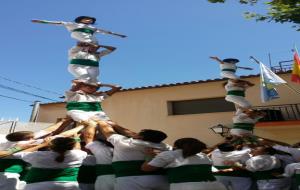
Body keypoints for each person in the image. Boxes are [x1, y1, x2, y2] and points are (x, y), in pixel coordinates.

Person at [94, 120, 170, 190]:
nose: (134, 134)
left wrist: (101, 122)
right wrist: (116, 125)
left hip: (129, 180)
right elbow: (131, 134)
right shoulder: (164, 146)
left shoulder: (124, 142)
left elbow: (107, 131)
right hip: (160, 180)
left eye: (137, 133)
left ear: (140, 137)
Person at [141, 138, 226, 190]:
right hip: (216, 186)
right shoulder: (203, 156)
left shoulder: (169, 154)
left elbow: (146, 168)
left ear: (176, 145)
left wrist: (149, 156)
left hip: (188, 187)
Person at [16, 136, 87, 190]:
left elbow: (18, 154)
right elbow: (77, 148)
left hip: (37, 187)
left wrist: (42, 144)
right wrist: (76, 139)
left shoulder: (38, 155)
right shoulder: (79, 155)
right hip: (69, 187)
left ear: (50, 145)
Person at [32, 16, 126, 46]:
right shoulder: (74, 24)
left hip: (91, 38)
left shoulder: (93, 28)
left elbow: (107, 32)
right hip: (79, 34)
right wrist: (42, 21)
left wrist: (119, 35)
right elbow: (59, 23)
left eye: (90, 20)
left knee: (94, 43)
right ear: (81, 20)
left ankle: (91, 49)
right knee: (86, 42)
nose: (89, 20)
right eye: (87, 19)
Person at [83, 125, 115, 190]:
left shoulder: (101, 149)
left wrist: (92, 123)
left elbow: (88, 136)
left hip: (105, 180)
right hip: (123, 179)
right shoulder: (125, 146)